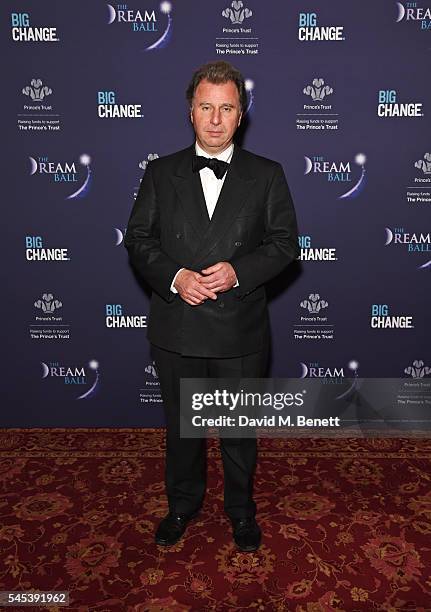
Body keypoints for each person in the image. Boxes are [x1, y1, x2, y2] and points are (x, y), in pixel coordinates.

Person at [125, 60, 299, 551]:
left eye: (227, 109)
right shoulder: (160, 173)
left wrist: (238, 271)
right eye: (207, 107)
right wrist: (176, 277)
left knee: (238, 432)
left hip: (238, 329)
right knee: (183, 430)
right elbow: (138, 240)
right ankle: (182, 505)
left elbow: (285, 244)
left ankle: (241, 511)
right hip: (177, 325)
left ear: (240, 115)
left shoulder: (267, 175)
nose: (216, 119)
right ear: (191, 111)